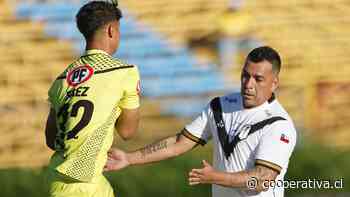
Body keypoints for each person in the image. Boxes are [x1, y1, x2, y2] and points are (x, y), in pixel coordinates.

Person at [104, 46, 297, 197]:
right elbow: (180, 143)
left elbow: (263, 179)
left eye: (258, 79)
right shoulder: (221, 106)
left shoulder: (279, 124)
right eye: (245, 75)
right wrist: (129, 158)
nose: (248, 84)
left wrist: (216, 177)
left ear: (274, 83)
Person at [44, 1, 141, 197]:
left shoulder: (61, 79)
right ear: (112, 30)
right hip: (87, 184)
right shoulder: (124, 72)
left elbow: (50, 138)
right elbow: (127, 131)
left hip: (57, 181)